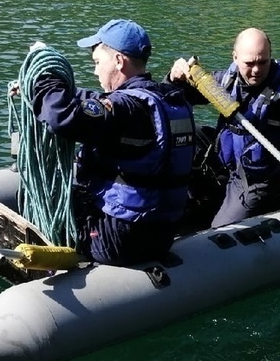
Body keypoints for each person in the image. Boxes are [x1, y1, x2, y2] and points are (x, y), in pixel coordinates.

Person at [29, 18, 196, 265]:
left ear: (118, 61)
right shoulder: (164, 98)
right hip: (160, 234)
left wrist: (45, 79)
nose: (95, 71)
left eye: (98, 62)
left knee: (43, 201)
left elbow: (62, 117)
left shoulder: (126, 109)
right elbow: (101, 101)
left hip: (116, 239)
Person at [170, 27, 280, 228]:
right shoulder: (223, 82)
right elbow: (172, 98)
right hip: (224, 165)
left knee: (223, 229)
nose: (256, 70)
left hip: (259, 178)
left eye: (262, 62)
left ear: (270, 57)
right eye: (249, 63)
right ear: (235, 57)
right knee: (194, 134)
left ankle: (275, 202)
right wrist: (173, 79)